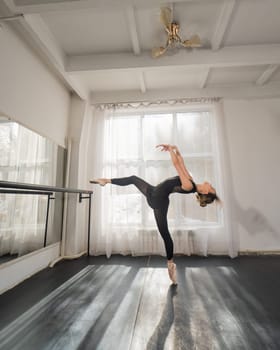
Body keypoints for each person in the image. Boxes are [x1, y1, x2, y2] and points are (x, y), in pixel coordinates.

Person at [90, 144, 220, 284]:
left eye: (211, 188)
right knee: (164, 232)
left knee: (164, 232)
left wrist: (170, 151)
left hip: (158, 200)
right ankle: (170, 264)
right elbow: (181, 162)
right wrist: (176, 149)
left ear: (206, 192)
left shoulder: (188, 185)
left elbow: (176, 165)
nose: (210, 184)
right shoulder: (190, 180)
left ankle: (170, 264)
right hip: (155, 193)